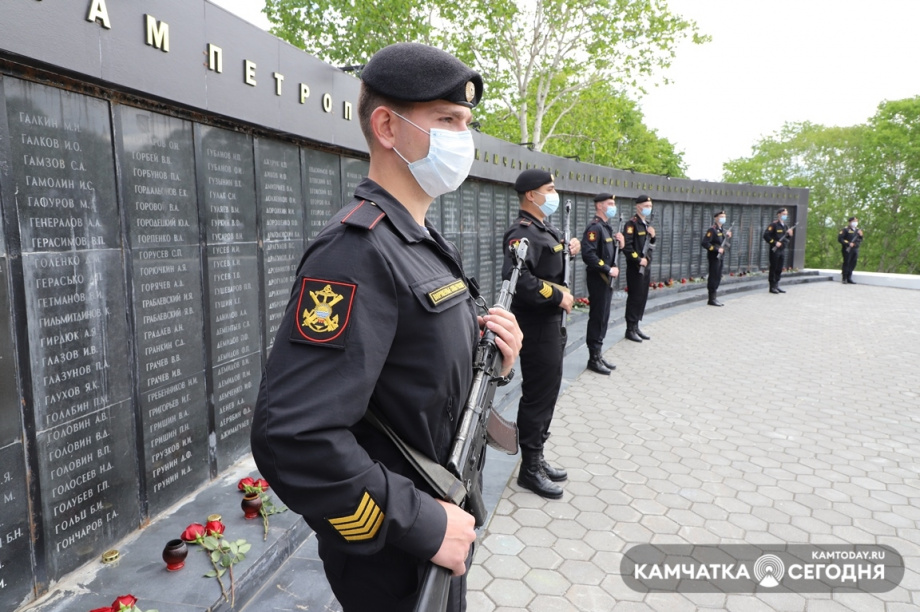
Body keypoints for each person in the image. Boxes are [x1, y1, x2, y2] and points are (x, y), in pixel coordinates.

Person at [250, 42, 522, 612]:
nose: (462, 138)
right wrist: (420, 523)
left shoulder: (417, 241)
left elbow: (411, 369)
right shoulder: (355, 252)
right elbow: (295, 438)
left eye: (466, 123)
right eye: (446, 120)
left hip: (442, 519)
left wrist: (491, 351)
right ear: (387, 127)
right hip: (394, 550)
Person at [502, 169, 581, 499]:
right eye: (549, 189)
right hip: (535, 325)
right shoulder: (521, 233)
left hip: (551, 325)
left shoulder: (543, 229)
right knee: (538, 395)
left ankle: (538, 456)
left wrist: (568, 249)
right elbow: (519, 281)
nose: (554, 193)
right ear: (531, 195)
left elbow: (547, 260)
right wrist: (558, 295)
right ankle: (529, 470)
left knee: (548, 392)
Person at [581, 192, 625, 374]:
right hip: (599, 279)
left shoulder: (607, 228)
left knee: (604, 317)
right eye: (610, 203)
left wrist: (620, 246)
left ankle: (598, 354)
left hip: (606, 280)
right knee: (598, 317)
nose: (612, 206)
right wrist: (607, 269)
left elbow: (608, 254)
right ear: (600, 206)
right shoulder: (595, 228)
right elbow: (588, 255)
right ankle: (593, 357)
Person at [621, 195, 656, 342]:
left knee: (642, 297)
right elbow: (627, 247)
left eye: (650, 205)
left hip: (645, 266)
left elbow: (651, 247)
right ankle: (630, 328)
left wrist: (653, 237)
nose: (648, 208)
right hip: (635, 267)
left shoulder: (646, 224)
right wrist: (638, 259)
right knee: (635, 297)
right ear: (638, 207)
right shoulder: (631, 224)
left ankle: (636, 326)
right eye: (646, 205)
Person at [700, 210, 732, 306]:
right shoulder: (712, 230)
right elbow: (705, 243)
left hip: (720, 257)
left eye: (724, 216)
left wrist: (728, 237)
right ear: (716, 218)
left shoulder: (722, 230)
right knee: (713, 276)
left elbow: (722, 242)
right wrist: (716, 250)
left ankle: (714, 297)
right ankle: (711, 298)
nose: (723, 218)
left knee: (718, 276)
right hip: (714, 256)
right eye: (721, 216)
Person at [763, 207, 793, 294]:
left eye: (786, 214)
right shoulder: (773, 225)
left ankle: (776, 285)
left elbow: (786, 239)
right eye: (784, 214)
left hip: (782, 250)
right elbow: (766, 235)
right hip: (775, 250)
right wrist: (774, 243)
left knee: (779, 268)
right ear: (779, 214)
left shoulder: (785, 226)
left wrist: (790, 235)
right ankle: (772, 286)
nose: (785, 216)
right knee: (774, 267)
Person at [838, 216, 863, 284]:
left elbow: (860, 240)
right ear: (850, 222)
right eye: (854, 221)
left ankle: (849, 277)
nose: (855, 223)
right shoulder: (845, 230)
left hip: (855, 249)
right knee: (847, 263)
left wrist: (861, 236)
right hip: (847, 249)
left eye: (856, 221)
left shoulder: (857, 230)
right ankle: (844, 278)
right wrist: (848, 243)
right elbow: (840, 239)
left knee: (853, 263)